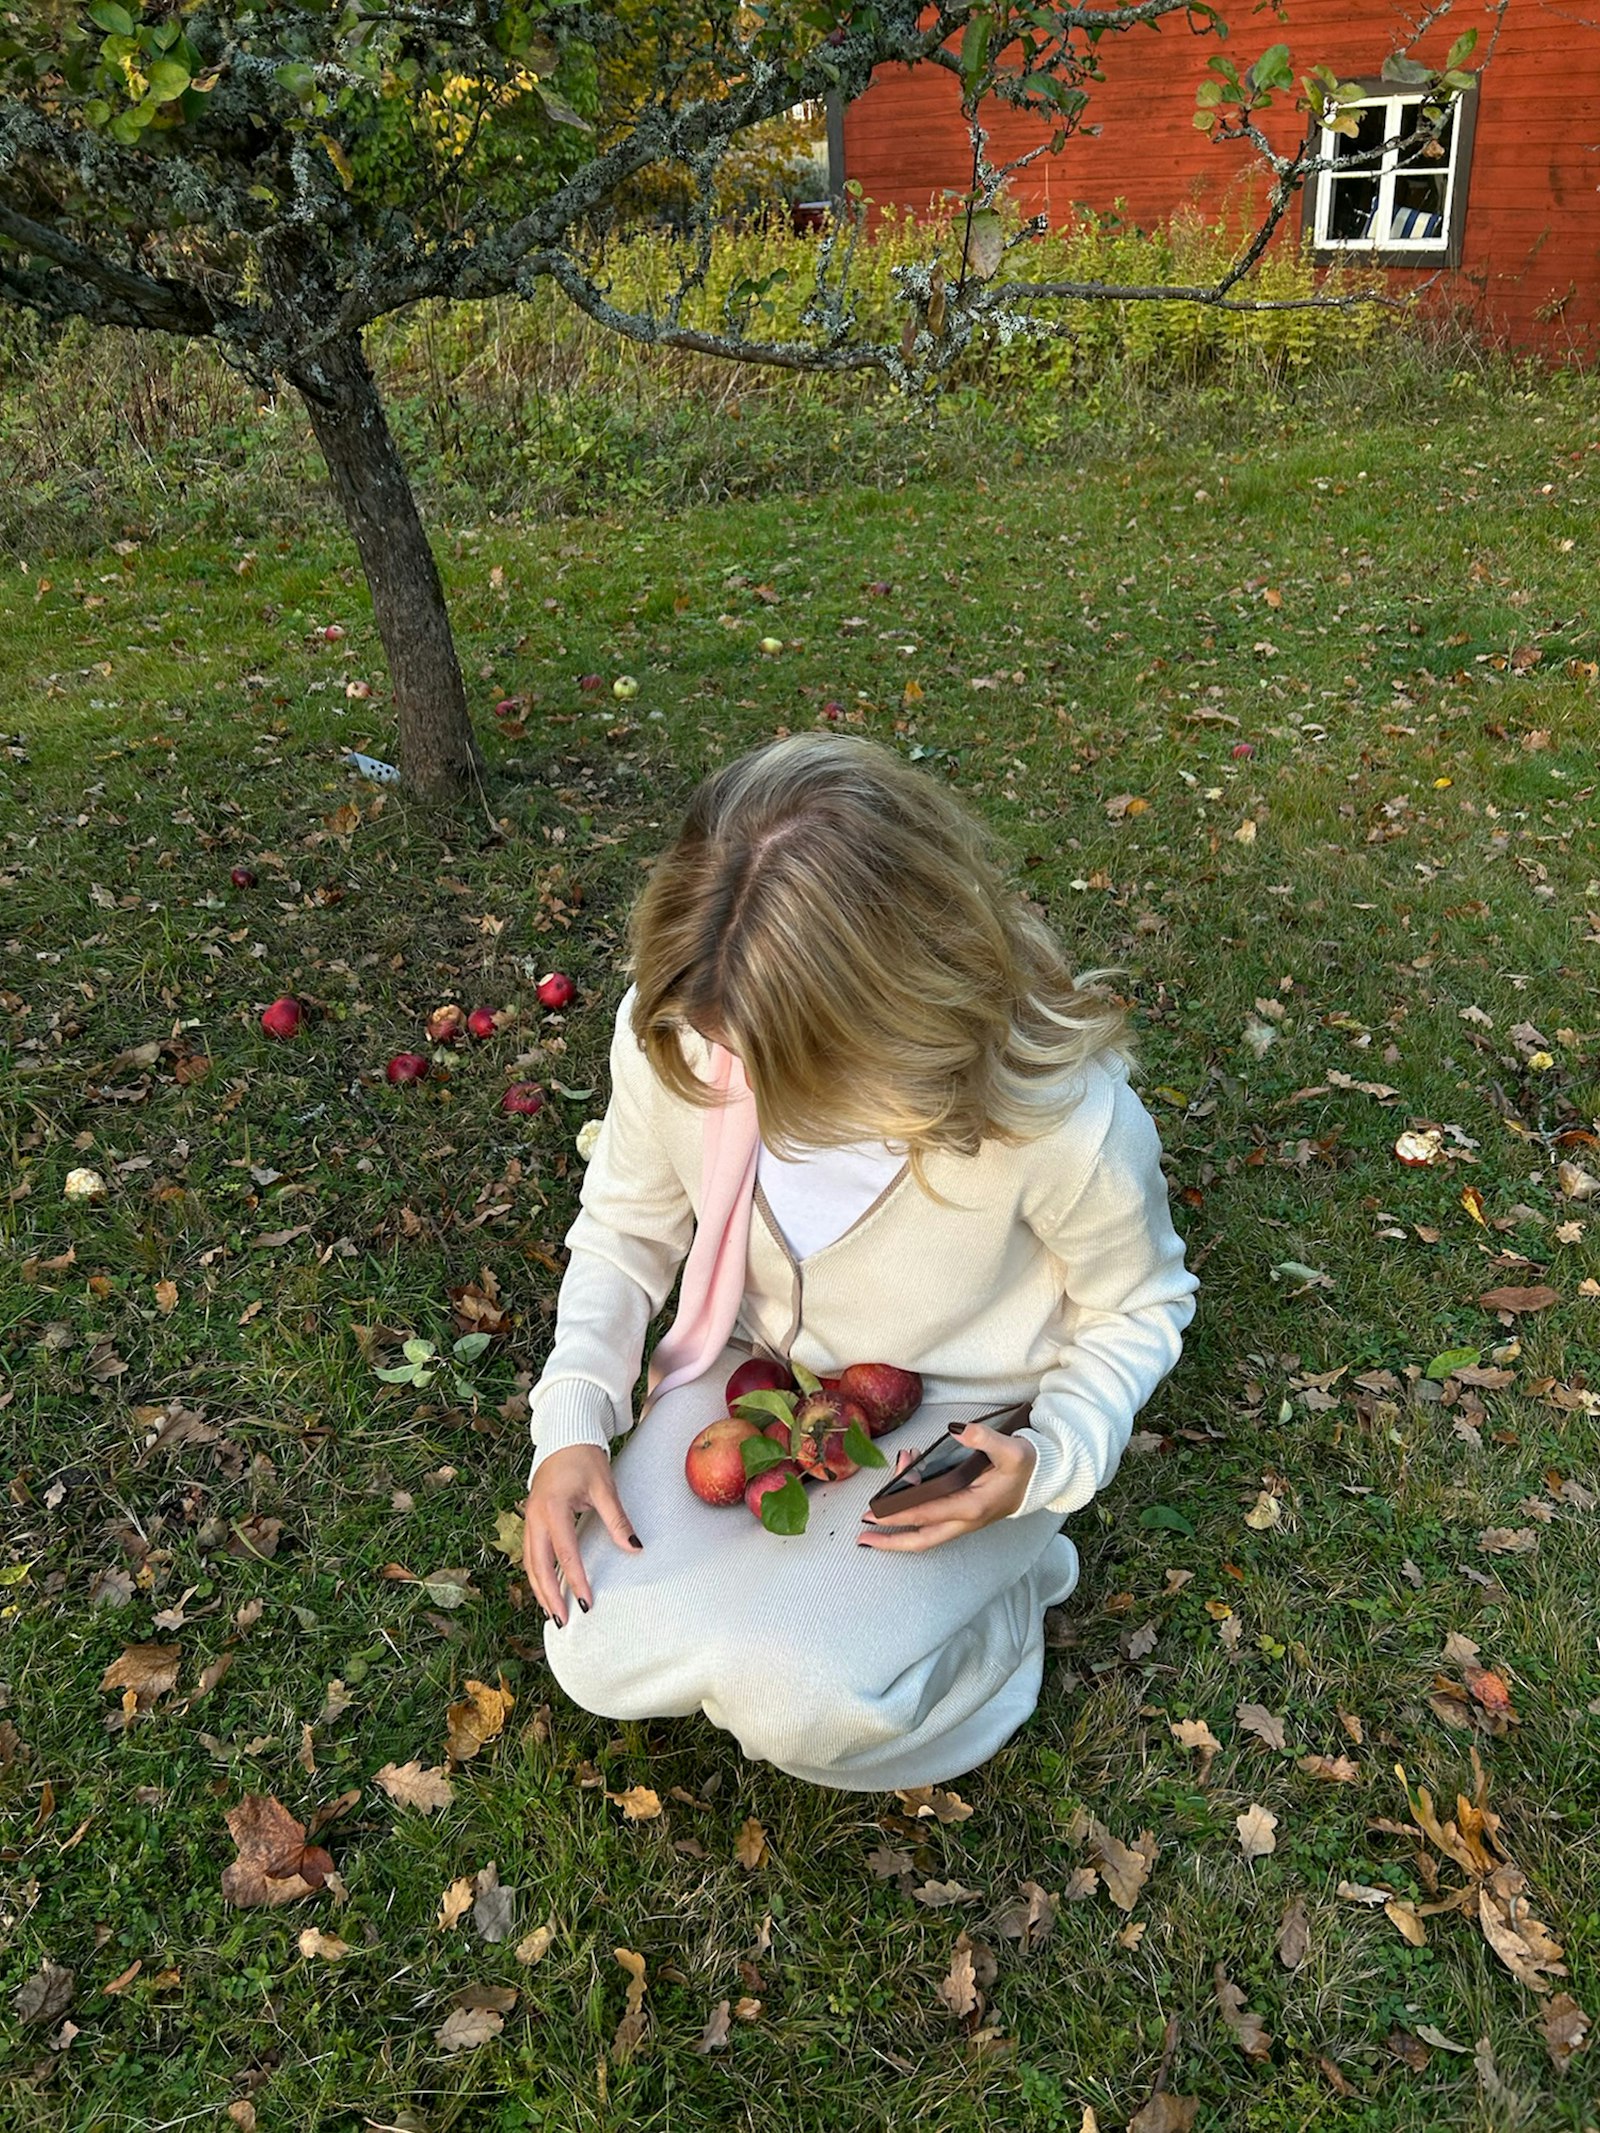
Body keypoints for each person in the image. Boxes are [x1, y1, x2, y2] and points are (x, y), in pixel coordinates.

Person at [520, 733, 1198, 1789]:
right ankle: (811, 1601)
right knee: (591, 1648)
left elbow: (1140, 1304)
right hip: (754, 1376)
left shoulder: (1063, 1124)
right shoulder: (689, 1022)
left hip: (959, 1419)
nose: (730, 1082)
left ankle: (1007, 1602)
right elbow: (625, 1227)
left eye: (785, 1069)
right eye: (718, 1048)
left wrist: (1046, 1460)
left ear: (897, 1013)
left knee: (807, 1708)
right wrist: (570, 1423)